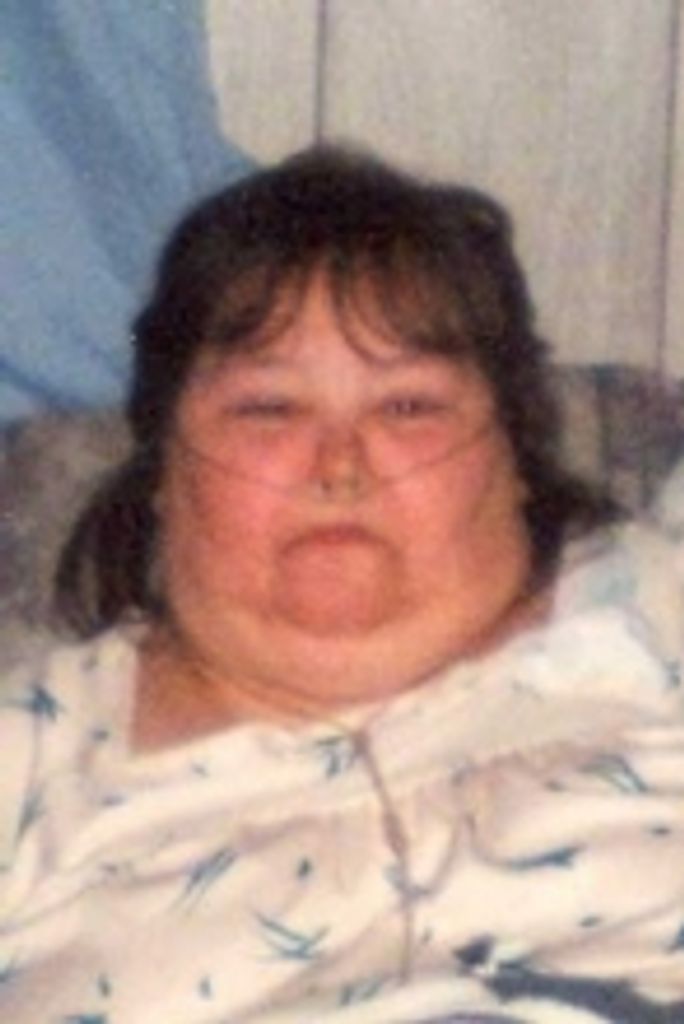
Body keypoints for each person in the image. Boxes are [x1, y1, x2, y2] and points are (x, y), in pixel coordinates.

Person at [1, 146, 683, 1023]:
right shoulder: (30, 763)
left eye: (408, 406)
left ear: (517, 451)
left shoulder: (655, 608)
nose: (339, 467)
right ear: (164, 468)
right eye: (268, 409)